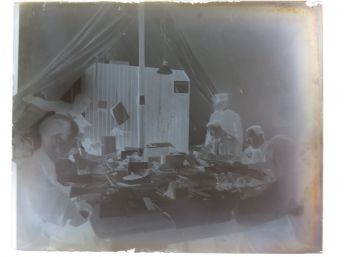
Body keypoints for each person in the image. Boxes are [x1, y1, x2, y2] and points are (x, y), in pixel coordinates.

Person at [17, 114, 105, 250]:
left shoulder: (40, 163)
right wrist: (90, 203)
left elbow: (60, 195)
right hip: (41, 243)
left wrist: (86, 198)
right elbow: (72, 227)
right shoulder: (36, 173)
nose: (74, 146)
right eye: (72, 140)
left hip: (47, 233)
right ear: (57, 140)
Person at [204, 93, 243, 160]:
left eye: (221, 103)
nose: (218, 106)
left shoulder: (234, 116)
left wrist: (236, 152)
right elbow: (209, 135)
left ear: (226, 103)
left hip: (229, 149)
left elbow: (239, 136)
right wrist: (208, 147)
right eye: (217, 104)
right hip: (215, 149)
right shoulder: (213, 115)